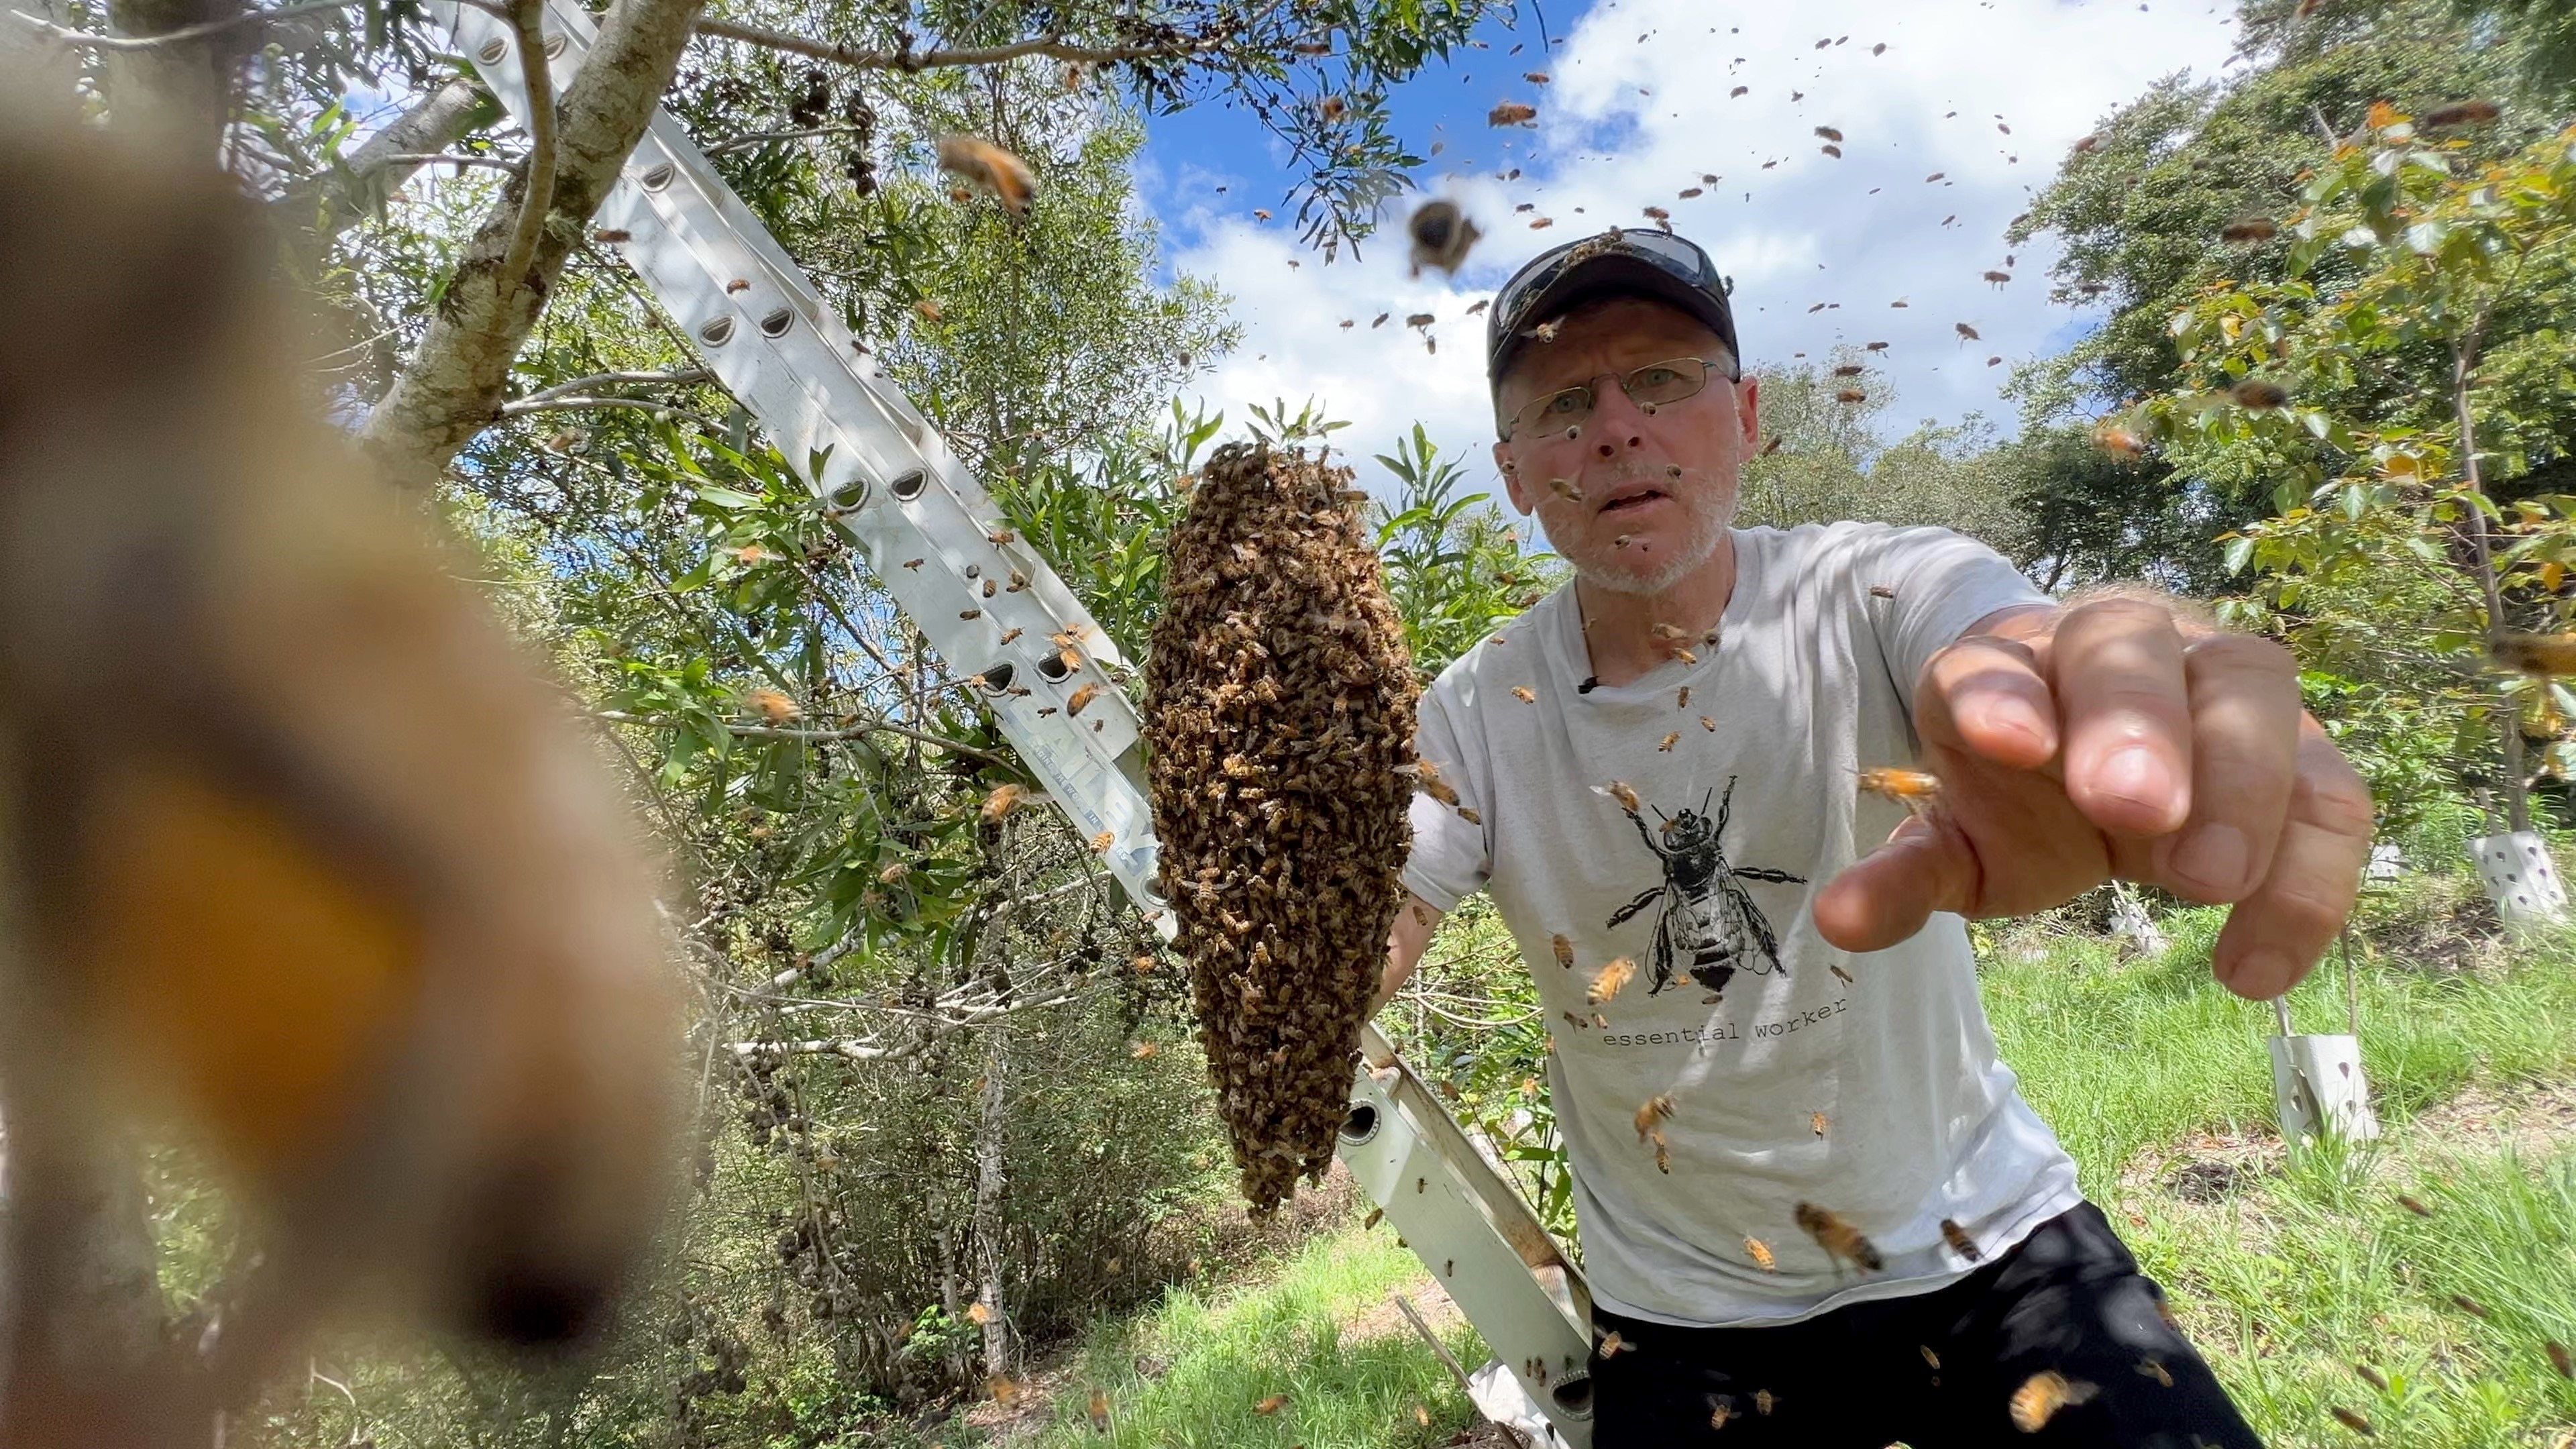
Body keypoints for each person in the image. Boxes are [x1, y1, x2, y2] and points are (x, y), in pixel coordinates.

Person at [1375, 228, 2373, 1447]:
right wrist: (1295, 953)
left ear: (1744, 415)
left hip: (1988, 1238)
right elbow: (1378, 913)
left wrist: (2095, 688)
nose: (1617, 426)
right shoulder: (1474, 712)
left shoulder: (1880, 586)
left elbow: (2003, 638)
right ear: (1517, 471)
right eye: (1565, 403)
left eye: (1664, 381)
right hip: (1686, 1311)